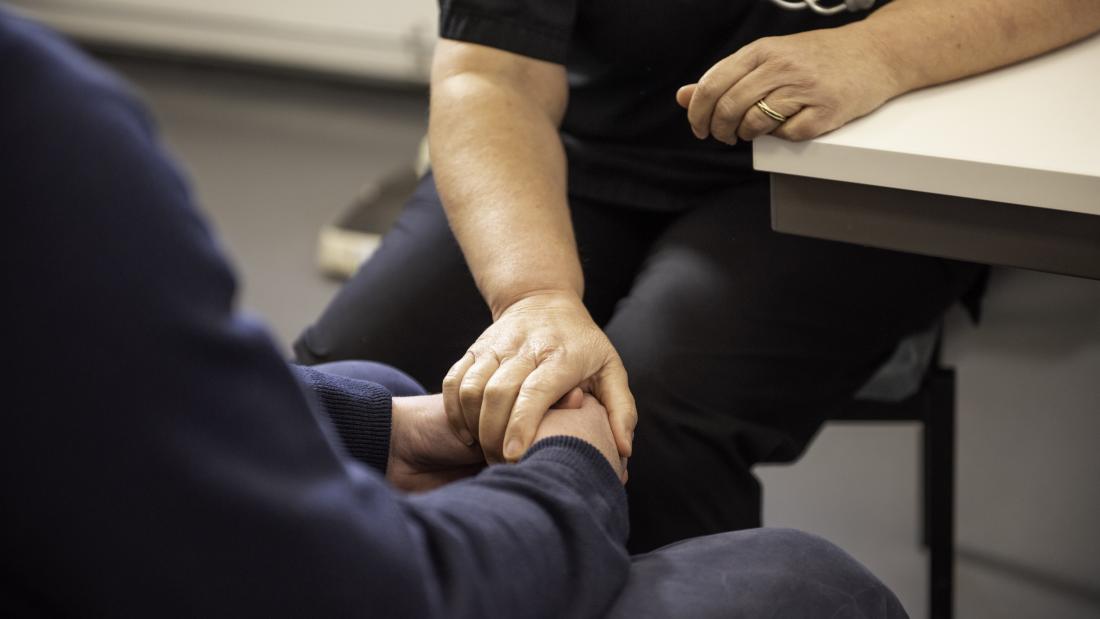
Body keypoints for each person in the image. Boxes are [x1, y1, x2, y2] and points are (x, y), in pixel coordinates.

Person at [1, 10, 908, 618]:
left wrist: (370, 426)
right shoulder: (42, 134)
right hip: (580, 148)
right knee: (806, 582)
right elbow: (370, 585)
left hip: (833, 158)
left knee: (648, 400)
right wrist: (569, 470)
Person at [295, 0, 1100, 551]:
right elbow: (490, 75)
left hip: (846, 161)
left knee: (648, 420)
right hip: (580, 148)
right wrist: (535, 296)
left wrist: (878, 48)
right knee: (343, 392)